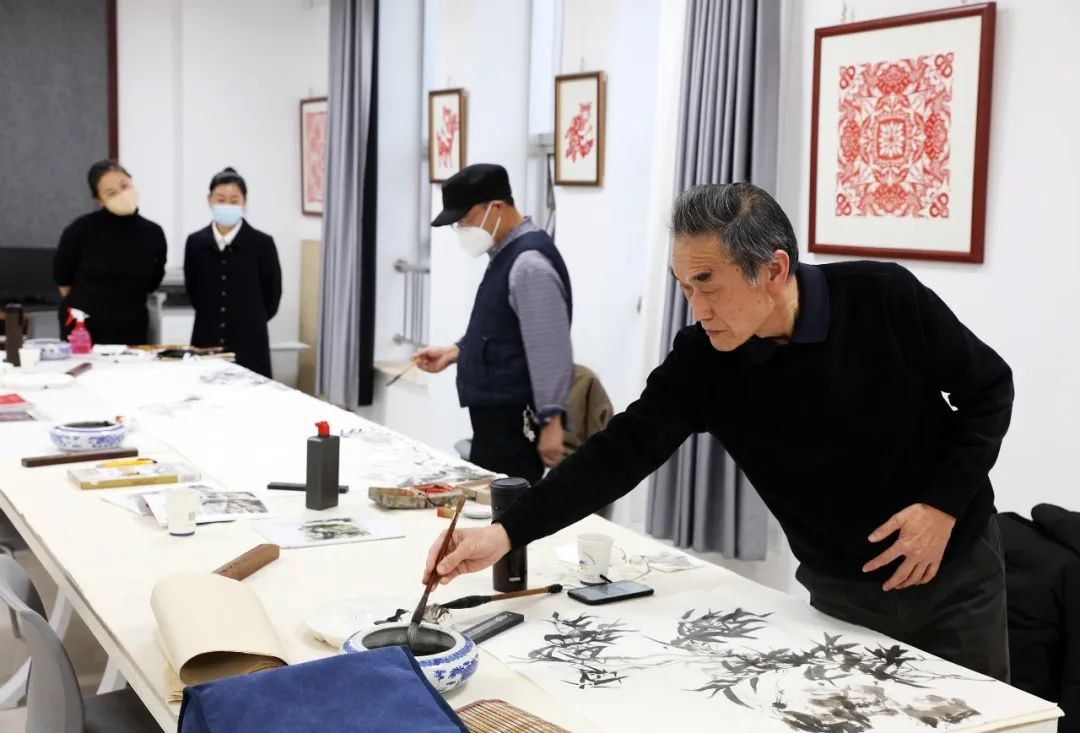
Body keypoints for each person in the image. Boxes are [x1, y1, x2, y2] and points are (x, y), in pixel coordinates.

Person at [424, 182, 1015, 682]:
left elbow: (989, 389)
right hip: (839, 587)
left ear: (773, 269)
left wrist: (942, 506)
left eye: (708, 282)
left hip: (953, 574)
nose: (697, 307)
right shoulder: (705, 359)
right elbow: (620, 452)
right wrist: (505, 533)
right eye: (684, 285)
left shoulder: (882, 298)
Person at [414, 164, 574, 486]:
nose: (462, 228)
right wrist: (456, 351)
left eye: (465, 219)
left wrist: (552, 422)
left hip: (514, 423)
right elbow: (502, 328)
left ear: (496, 207)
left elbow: (549, 350)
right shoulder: (505, 253)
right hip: (495, 420)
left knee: (506, 509)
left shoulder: (529, 264)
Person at [53, 160, 167, 345]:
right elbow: (63, 279)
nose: (122, 194)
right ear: (99, 199)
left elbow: (153, 281)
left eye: (124, 186)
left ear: (131, 181)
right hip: (84, 329)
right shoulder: (81, 229)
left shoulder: (153, 233)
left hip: (132, 327)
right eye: (111, 193)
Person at [183, 167, 282, 378]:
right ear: (209, 200)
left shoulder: (262, 244)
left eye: (234, 200)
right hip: (206, 338)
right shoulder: (195, 242)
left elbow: (272, 296)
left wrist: (250, 318)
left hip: (250, 341)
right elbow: (193, 291)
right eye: (221, 199)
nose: (227, 205)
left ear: (245, 202)